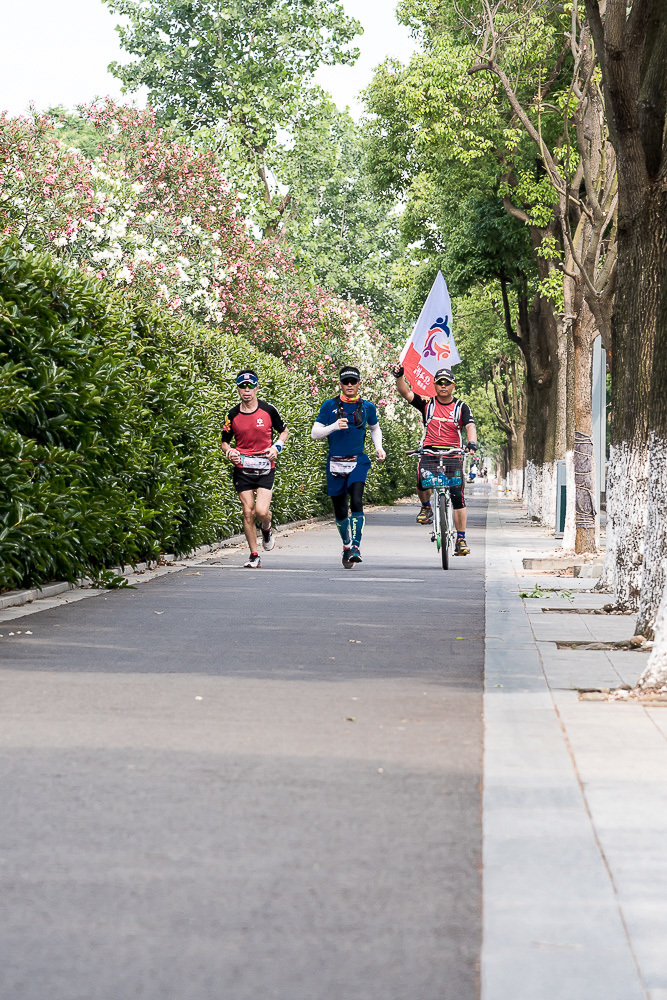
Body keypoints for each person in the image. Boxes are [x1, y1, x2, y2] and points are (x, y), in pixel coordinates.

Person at [391, 364, 477, 555]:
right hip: (429, 452)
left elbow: (470, 426)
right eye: (440, 383)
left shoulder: (461, 407)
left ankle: (461, 539)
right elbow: (406, 393)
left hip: (453, 454)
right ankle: (426, 507)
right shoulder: (427, 403)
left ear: (453, 385)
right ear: (435, 385)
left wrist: (471, 443)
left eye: (447, 383)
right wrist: (399, 377)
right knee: (421, 481)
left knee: (457, 497)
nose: (443, 386)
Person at [311, 366, 386, 568]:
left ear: (360, 383)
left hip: (357, 461)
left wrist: (379, 448)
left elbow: (375, 428)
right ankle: (346, 544)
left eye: (353, 381)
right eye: (346, 382)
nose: (350, 385)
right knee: (340, 508)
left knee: (357, 500)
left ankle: (355, 547)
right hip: (335, 462)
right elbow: (314, 433)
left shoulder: (368, 407)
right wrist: (334, 426)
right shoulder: (329, 405)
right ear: (340, 384)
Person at [221, 369, 289, 568]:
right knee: (248, 511)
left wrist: (276, 447)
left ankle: (266, 527)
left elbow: (284, 431)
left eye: (250, 386)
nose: (247, 390)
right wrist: (230, 452)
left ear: (257, 388)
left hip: (265, 468)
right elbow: (224, 442)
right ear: (238, 389)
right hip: (242, 468)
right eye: (242, 386)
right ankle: (254, 555)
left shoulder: (268, 410)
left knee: (261, 512)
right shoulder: (232, 415)